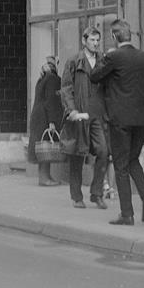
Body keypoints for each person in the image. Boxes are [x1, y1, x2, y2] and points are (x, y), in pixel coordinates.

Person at [89, 19, 144, 226]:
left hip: (119, 119)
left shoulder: (113, 57)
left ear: (114, 36)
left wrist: (105, 59)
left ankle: (127, 214)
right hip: (141, 119)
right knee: (132, 159)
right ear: (130, 36)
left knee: (120, 164)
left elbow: (94, 76)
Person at [60, 27, 110, 210]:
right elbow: (66, 87)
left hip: (97, 115)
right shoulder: (74, 61)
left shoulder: (103, 61)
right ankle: (76, 196)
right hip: (79, 114)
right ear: (84, 41)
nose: (96, 44)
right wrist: (71, 110)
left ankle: (96, 194)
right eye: (92, 40)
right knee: (77, 155)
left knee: (104, 152)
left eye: (98, 40)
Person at [27, 55, 64, 186]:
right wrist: (52, 121)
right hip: (45, 117)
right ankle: (44, 178)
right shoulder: (53, 79)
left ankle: (46, 176)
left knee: (43, 147)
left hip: (38, 116)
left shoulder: (42, 78)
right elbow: (51, 101)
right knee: (46, 145)